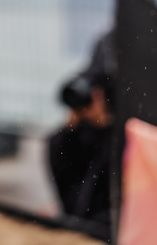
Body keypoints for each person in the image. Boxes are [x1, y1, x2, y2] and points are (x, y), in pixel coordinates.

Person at [47, 28, 116, 236]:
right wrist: (70, 129)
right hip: (78, 223)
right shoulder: (105, 45)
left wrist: (107, 125)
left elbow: (110, 176)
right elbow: (62, 171)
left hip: (108, 226)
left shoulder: (123, 133)